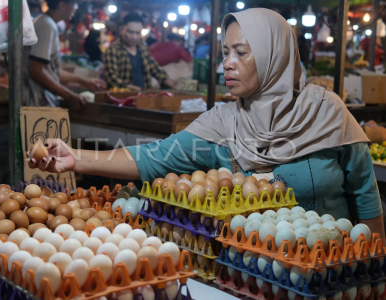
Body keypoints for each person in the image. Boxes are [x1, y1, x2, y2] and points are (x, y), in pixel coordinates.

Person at [29, 8, 385, 241]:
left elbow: (366, 201)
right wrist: (76, 157)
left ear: (275, 55)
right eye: (225, 53)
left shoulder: (328, 113)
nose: (227, 64)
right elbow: (153, 157)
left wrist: (369, 272)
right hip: (250, 271)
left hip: (332, 271)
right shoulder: (223, 121)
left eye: (241, 53)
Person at [25, 0, 106, 108]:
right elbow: (36, 71)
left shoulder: (46, 23)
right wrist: (70, 96)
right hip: (36, 103)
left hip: (41, 102)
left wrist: (84, 81)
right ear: (62, 5)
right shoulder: (46, 25)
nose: (76, 7)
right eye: (73, 4)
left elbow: (49, 70)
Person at [103, 13, 175, 91]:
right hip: (122, 98)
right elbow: (112, 78)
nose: (134, 37)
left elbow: (155, 69)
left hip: (144, 97)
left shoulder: (143, 49)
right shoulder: (113, 50)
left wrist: (167, 81)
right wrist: (132, 88)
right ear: (121, 29)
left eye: (138, 33)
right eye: (130, 32)